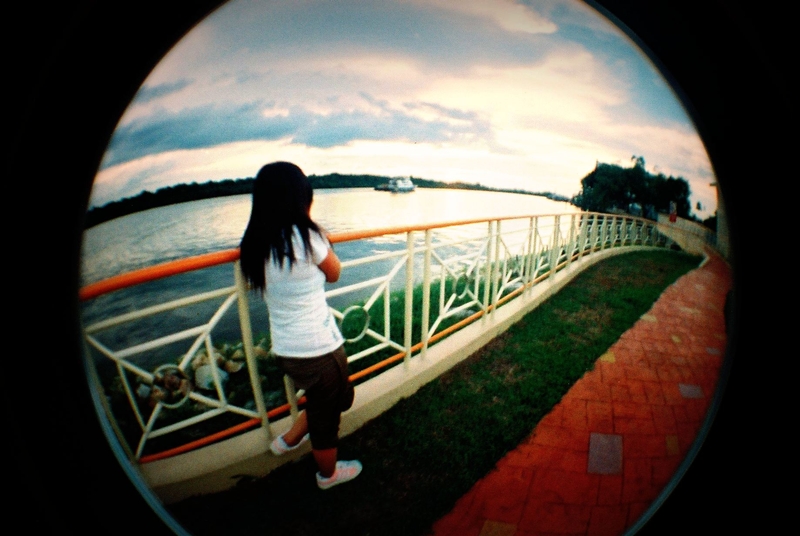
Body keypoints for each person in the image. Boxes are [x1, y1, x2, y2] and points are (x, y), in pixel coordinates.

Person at [239, 161, 362, 490]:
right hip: (318, 348)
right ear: (300, 197)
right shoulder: (307, 236)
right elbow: (334, 274)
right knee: (327, 417)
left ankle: (289, 439)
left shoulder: (255, 243)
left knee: (333, 397)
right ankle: (328, 476)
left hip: (286, 349)